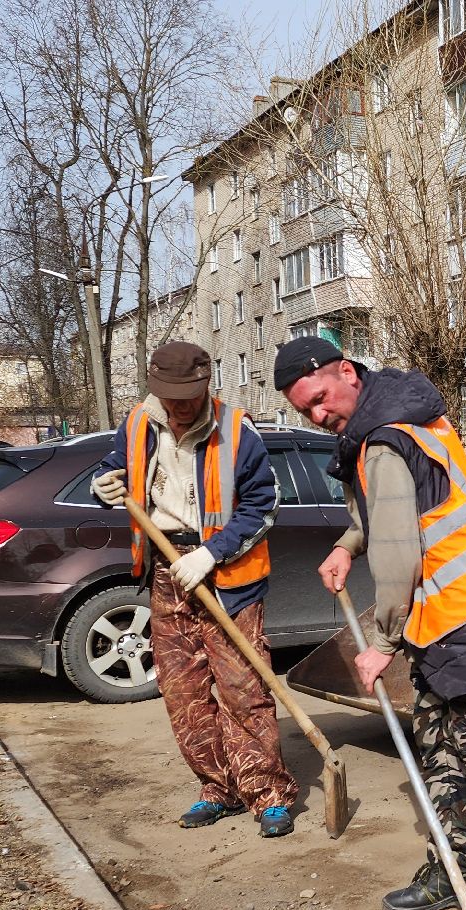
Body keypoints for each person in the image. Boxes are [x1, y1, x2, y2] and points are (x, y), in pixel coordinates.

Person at [273, 337, 466, 910]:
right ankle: (454, 866)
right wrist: (344, 544)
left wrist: (380, 646)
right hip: (453, 606)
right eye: (303, 410)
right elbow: (383, 513)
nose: (316, 416)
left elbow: (397, 554)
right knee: (437, 743)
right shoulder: (393, 412)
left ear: (346, 373)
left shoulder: (385, 439)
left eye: (320, 399)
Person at [90, 341, 299, 838]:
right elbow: (112, 471)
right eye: (170, 396)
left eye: (188, 395)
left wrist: (211, 553)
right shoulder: (139, 424)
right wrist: (103, 485)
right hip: (165, 573)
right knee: (183, 692)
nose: (180, 406)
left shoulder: (236, 431)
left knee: (243, 689)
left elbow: (262, 507)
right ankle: (216, 788)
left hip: (228, 578)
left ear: (206, 384)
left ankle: (267, 794)